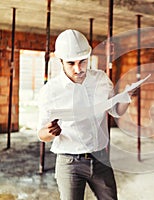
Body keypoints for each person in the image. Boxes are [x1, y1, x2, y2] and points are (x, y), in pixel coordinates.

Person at [37, 29, 130, 200]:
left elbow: (116, 111)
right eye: (71, 63)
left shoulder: (101, 80)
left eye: (83, 62)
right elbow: (41, 134)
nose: (78, 69)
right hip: (70, 164)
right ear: (61, 61)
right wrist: (49, 132)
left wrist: (127, 97)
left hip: (101, 159)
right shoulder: (50, 91)